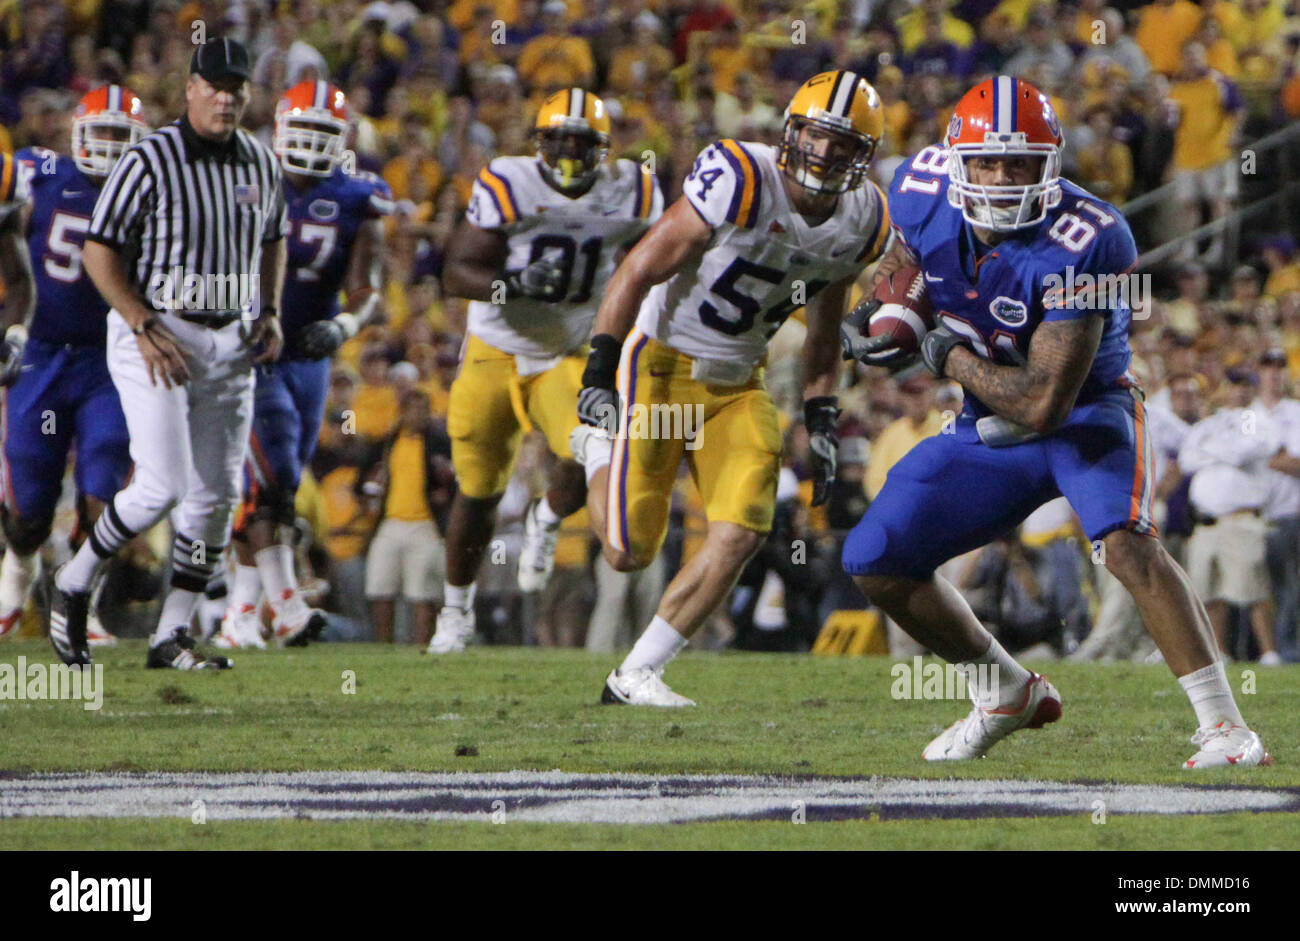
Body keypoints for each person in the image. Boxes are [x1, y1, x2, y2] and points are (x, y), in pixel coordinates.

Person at [841, 76, 1269, 768]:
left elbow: (1046, 402)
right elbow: (904, 259)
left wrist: (939, 349)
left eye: (1020, 162)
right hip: (986, 422)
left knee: (1125, 543)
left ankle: (1226, 726)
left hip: (1085, 416)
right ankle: (1005, 691)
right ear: (956, 160)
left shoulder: (1091, 237)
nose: (1003, 178)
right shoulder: (918, 188)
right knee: (875, 558)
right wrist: (886, 305)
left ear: (1051, 164)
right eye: (987, 160)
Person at [570, 70, 891, 706]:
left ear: (864, 157)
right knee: (628, 552)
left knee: (744, 527)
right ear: (791, 131)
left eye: (844, 143)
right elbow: (638, 267)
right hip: (661, 366)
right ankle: (594, 449)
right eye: (816, 135)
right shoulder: (743, 179)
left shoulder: (864, 219)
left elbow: (824, 332)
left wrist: (822, 417)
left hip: (741, 383)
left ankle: (636, 673)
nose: (824, 154)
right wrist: (599, 371)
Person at [50, 37, 286, 671]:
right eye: (215, 85)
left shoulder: (262, 162)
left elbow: (272, 240)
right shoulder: (149, 159)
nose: (227, 97)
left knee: (215, 498)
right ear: (190, 88)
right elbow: (99, 248)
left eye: (238, 88)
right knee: (162, 486)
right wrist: (139, 320)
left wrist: (270, 309)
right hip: (159, 330)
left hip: (231, 339)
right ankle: (74, 582)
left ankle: (171, 634)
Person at [430, 88, 663, 654]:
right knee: (478, 491)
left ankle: (548, 518)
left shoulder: (633, 191)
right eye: (557, 139)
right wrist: (507, 285)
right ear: (539, 141)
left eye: (581, 142)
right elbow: (455, 271)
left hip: (568, 351)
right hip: (495, 347)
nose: (567, 152)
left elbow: (659, 261)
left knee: (591, 452)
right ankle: (455, 611)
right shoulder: (510, 182)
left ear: (603, 149)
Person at [214, 80, 391, 650]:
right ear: (279, 129)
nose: (312, 144)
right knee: (277, 470)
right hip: (250, 346)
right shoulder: (241, 177)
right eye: (303, 130)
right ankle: (288, 606)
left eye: (324, 132)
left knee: (277, 481)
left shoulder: (358, 196)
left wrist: (343, 326)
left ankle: (240, 616)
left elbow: (369, 287)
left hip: (309, 354)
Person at [0, 86, 148, 647]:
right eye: (101, 131)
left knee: (102, 486)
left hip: (108, 359)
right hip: (39, 355)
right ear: (77, 133)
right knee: (30, 511)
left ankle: (79, 604)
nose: (109, 146)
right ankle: (18, 570)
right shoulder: (37, 174)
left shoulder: (149, 197)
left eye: (120, 134)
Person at [1179, 367, 1282, 663]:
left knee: (1253, 589)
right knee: (1209, 591)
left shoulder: (1259, 420)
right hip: (1206, 522)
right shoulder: (1210, 423)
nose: (1239, 391)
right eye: (1234, 385)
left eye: (1245, 385)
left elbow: (1247, 452)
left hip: (1241, 519)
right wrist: (1223, 449)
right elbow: (1187, 460)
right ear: (1226, 388)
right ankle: (1218, 652)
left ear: (1253, 389)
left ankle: (1269, 652)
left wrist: (1211, 451)